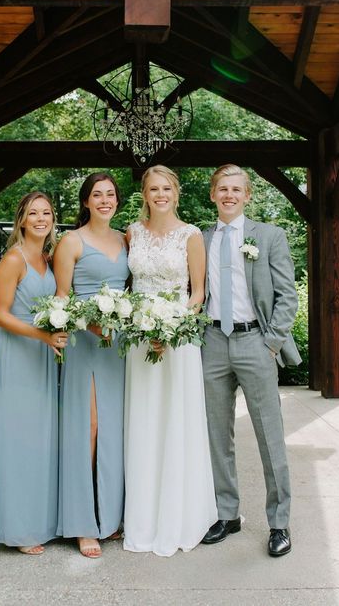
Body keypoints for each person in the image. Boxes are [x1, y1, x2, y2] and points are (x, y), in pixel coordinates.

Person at [201, 164, 301, 557]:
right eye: (222, 189)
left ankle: (279, 522)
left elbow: (287, 295)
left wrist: (272, 343)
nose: (228, 195)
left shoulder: (269, 236)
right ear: (213, 195)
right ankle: (228, 514)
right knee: (216, 434)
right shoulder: (201, 237)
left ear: (247, 195)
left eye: (236, 189)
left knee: (269, 434)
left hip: (255, 341)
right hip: (211, 341)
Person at [123, 165, 218, 557]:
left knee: (176, 419)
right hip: (137, 338)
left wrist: (169, 326)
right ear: (144, 194)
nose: (160, 194)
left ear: (175, 193)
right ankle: (142, 516)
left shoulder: (191, 235)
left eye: (166, 188)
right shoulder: (132, 231)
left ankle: (180, 515)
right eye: (153, 189)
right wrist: (141, 324)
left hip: (176, 339)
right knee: (144, 420)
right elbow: (128, 285)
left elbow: (198, 293)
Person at [0, 191, 68, 555]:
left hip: (44, 356)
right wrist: (43, 335)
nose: (41, 219)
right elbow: (0, 314)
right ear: (21, 220)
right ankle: (16, 528)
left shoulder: (48, 258)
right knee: (18, 438)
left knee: (41, 438)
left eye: (46, 212)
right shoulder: (14, 259)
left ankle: (40, 520)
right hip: (19, 355)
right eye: (33, 213)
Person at [53, 172, 128, 559]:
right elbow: (61, 299)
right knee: (91, 427)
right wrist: (91, 323)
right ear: (86, 201)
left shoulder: (125, 239)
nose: (104, 200)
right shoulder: (71, 241)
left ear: (117, 200)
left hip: (119, 348)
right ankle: (83, 523)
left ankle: (110, 517)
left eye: (110, 194)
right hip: (86, 344)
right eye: (97, 195)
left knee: (115, 430)